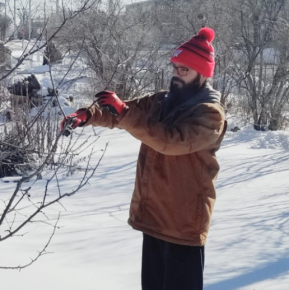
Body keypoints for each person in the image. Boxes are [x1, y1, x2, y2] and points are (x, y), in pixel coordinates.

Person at [60, 27, 227, 290]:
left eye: (185, 70)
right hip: (154, 217)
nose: (176, 75)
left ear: (202, 74)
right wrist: (87, 116)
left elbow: (169, 141)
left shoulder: (210, 115)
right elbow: (121, 112)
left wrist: (124, 111)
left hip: (184, 225)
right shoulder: (162, 101)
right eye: (175, 68)